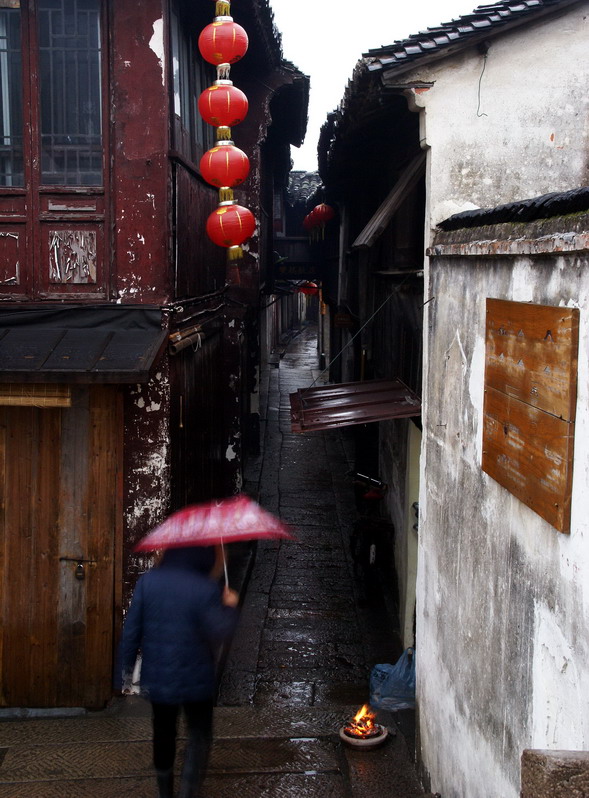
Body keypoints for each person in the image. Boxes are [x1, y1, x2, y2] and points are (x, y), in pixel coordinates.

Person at [120, 545, 239, 798]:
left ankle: (165, 793)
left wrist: (124, 673)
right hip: (197, 678)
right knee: (199, 734)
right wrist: (229, 606)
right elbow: (219, 632)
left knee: (163, 732)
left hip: (159, 676)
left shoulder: (148, 582)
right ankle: (188, 791)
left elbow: (131, 632)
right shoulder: (205, 586)